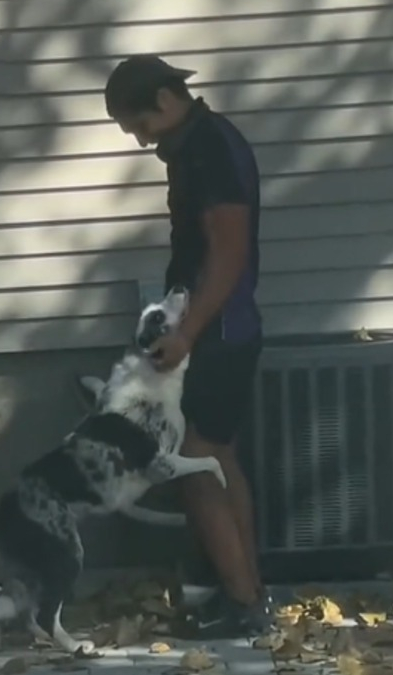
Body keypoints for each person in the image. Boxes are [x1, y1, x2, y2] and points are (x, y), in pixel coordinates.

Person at [102, 55, 272, 638]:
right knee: (218, 460)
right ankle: (246, 594)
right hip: (221, 326)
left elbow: (227, 252)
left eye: (140, 126)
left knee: (197, 465)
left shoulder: (211, 150)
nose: (144, 141)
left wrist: (187, 333)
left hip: (220, 330)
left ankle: (244, 602)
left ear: (166, 102)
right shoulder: (202, 144)